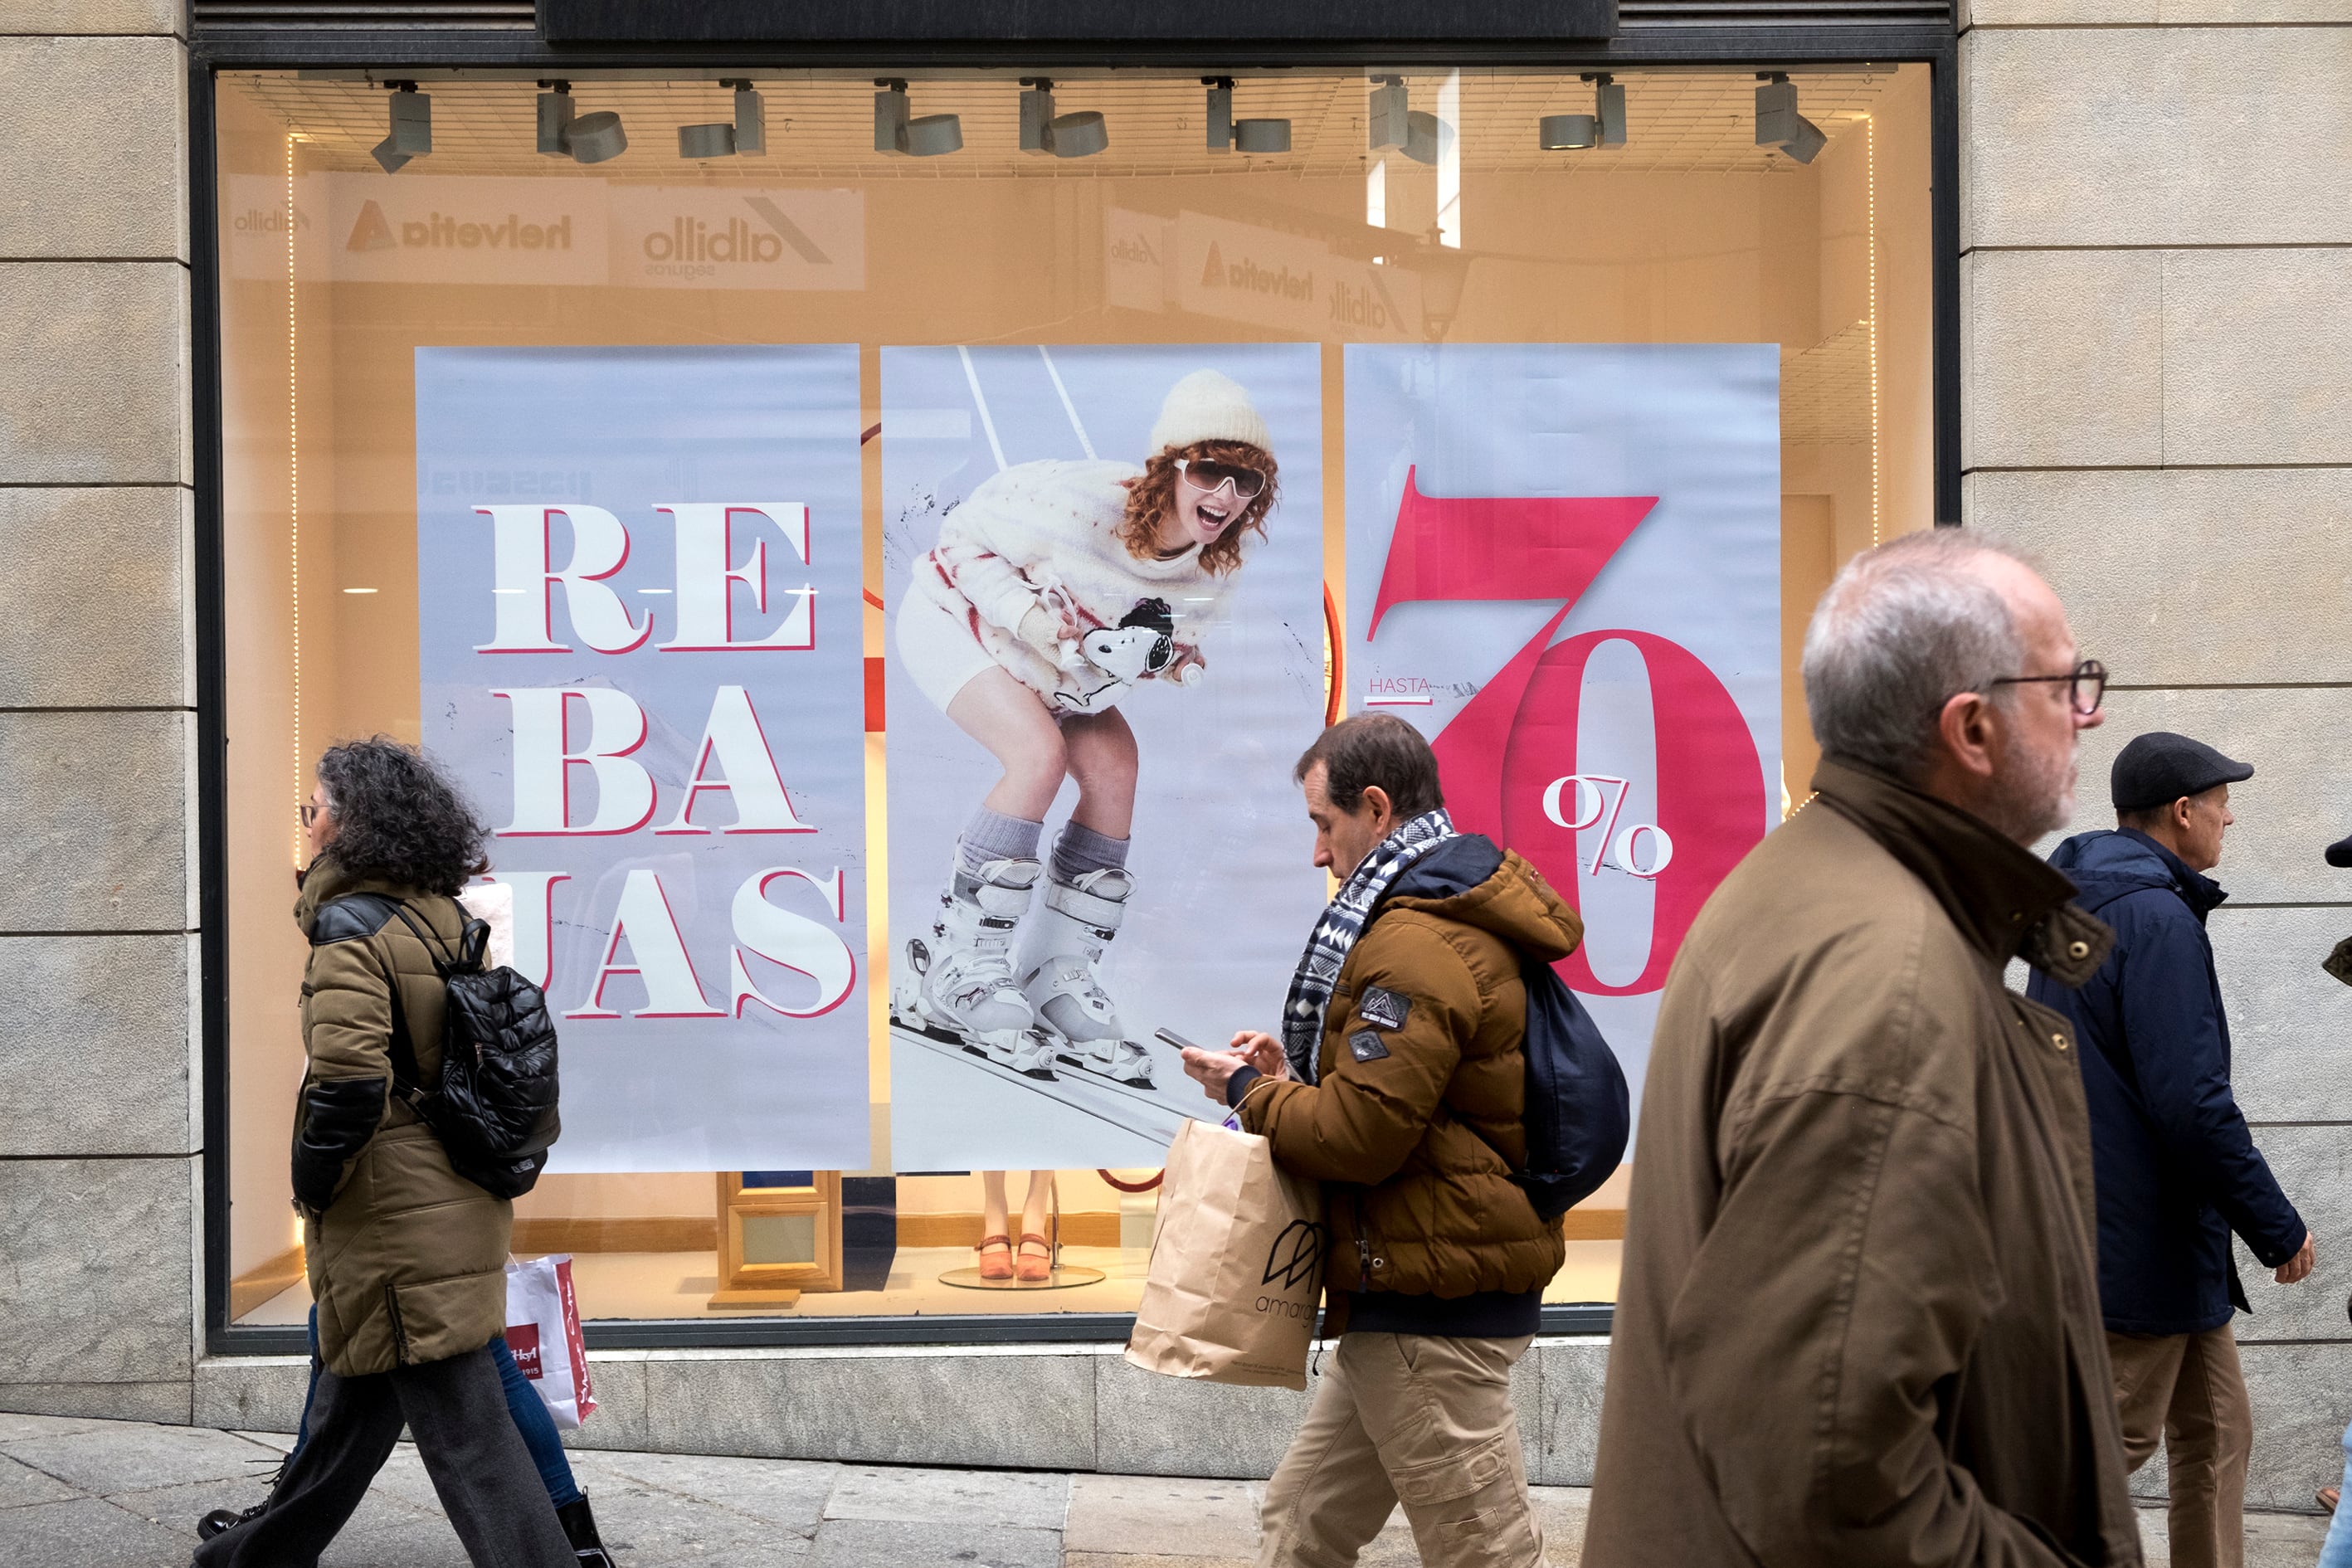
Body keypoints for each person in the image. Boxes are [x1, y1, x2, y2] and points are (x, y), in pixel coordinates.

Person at [1585, 529, 2145, 1566]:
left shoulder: (1824, 887)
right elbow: (1826, 1469)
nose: (2090, 713)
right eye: (2068, 683)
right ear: (1972, 729)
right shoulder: (1890, 978)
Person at [1179, 712, 1579, 1568]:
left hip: (1428, 1306)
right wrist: (1291, 1083)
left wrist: (1250, 1096)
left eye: (1324, 825)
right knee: (1303, 1523)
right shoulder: (1425, 916)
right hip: (1408, 1287)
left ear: (1376, 808)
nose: (1317, 852)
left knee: (1484, 1552)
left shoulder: (1415, 942)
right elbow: (1408, 1106)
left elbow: (1362, 1138)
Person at [195, 737, 575, 1568]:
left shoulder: (350, 927)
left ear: (352, 821)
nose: (309, 822)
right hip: (447, 1193)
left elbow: (347, 1082)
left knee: (469, 1435)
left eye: (316, 807)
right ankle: (251, 1557)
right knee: (347, 1411)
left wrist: (312, 1185)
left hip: (395, 1214)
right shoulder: (436, 911)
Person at [894, 368, 1278, 1098]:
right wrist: (1042, 626)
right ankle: (959, 969)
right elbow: (962, 541)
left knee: (1115, 770)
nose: (1226, 497)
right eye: (1210, 471)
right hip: (956, 621)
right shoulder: (1074, 502)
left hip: (1061, 672)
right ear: (1170, 466)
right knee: (1034, 758)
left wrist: (1160, 658)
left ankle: (1053, 975)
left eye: (1247, 482)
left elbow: (1169, 646)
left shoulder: (1215, 566)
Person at [2025, 732, 2312, 1568]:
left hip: (2148, 1241)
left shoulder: (2083, 905)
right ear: (2183, 813)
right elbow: (2190, 1102)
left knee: (2218, 1433)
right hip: (2135, 1245)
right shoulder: (2155, 918)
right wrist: (2275, 1224)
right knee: (2101, 1462)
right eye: (2222, 801)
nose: (2231, 816)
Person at [200, 1303, 615, 1567]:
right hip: (443, 1224)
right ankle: (577, 1539)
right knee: (486, 1355)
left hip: (398, 1233)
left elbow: (334, 1167)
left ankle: (276, 1526)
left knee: (335, 1325)